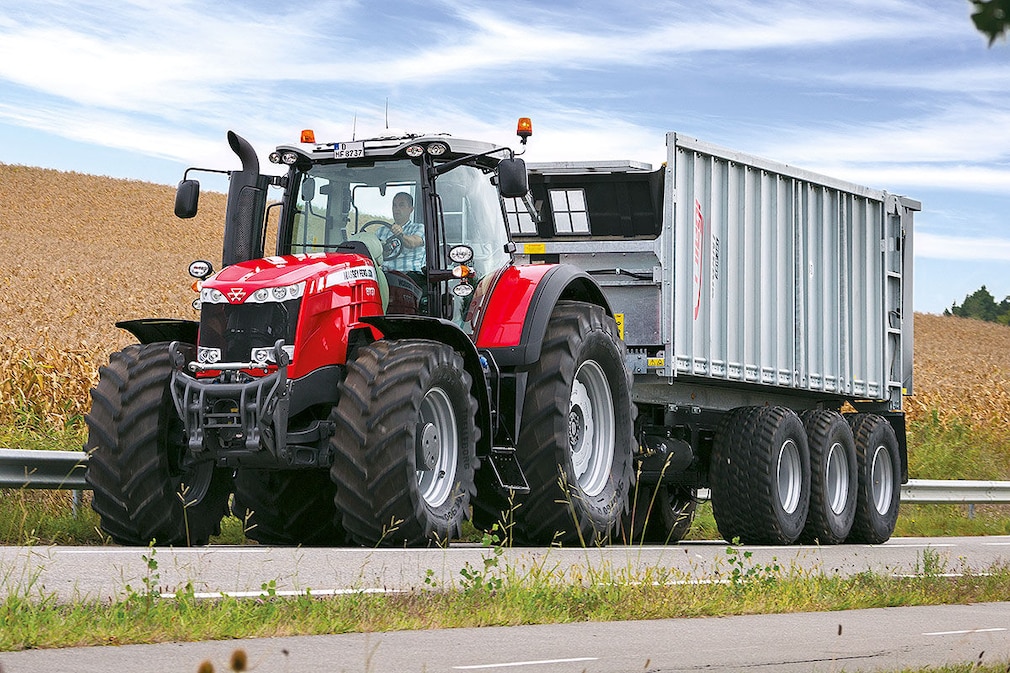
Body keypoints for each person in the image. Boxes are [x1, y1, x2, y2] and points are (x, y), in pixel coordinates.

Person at [378, 191, 425, 273]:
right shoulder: (381, 231)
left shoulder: (419, 228)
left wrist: (400, 234)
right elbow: (374, 252)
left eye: (401, 205)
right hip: (385, 274)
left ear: (411, 209)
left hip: (410, 276)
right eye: (394, 205)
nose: (397, 209)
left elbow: (413, 243)